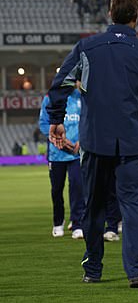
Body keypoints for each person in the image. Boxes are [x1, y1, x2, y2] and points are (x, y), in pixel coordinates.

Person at [47, 0, 138, 288]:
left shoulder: (87, 47)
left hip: (94, 141)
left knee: (94, 206)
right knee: (133, 206)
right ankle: (136, 272)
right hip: (132, 141)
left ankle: (94, 268)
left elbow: (59, 83)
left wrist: (56, 120)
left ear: (110, 14)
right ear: (136, 17)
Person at [39, 83, 86, 239]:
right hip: (57, 153)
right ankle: (58, 222)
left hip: (76, 152)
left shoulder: (81, 97)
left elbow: (87, 119)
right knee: (56, 189)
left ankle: (77, 224)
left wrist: (83, 139)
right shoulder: (50, 98)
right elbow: (44, 123)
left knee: (77, 187)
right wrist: (56, 138)